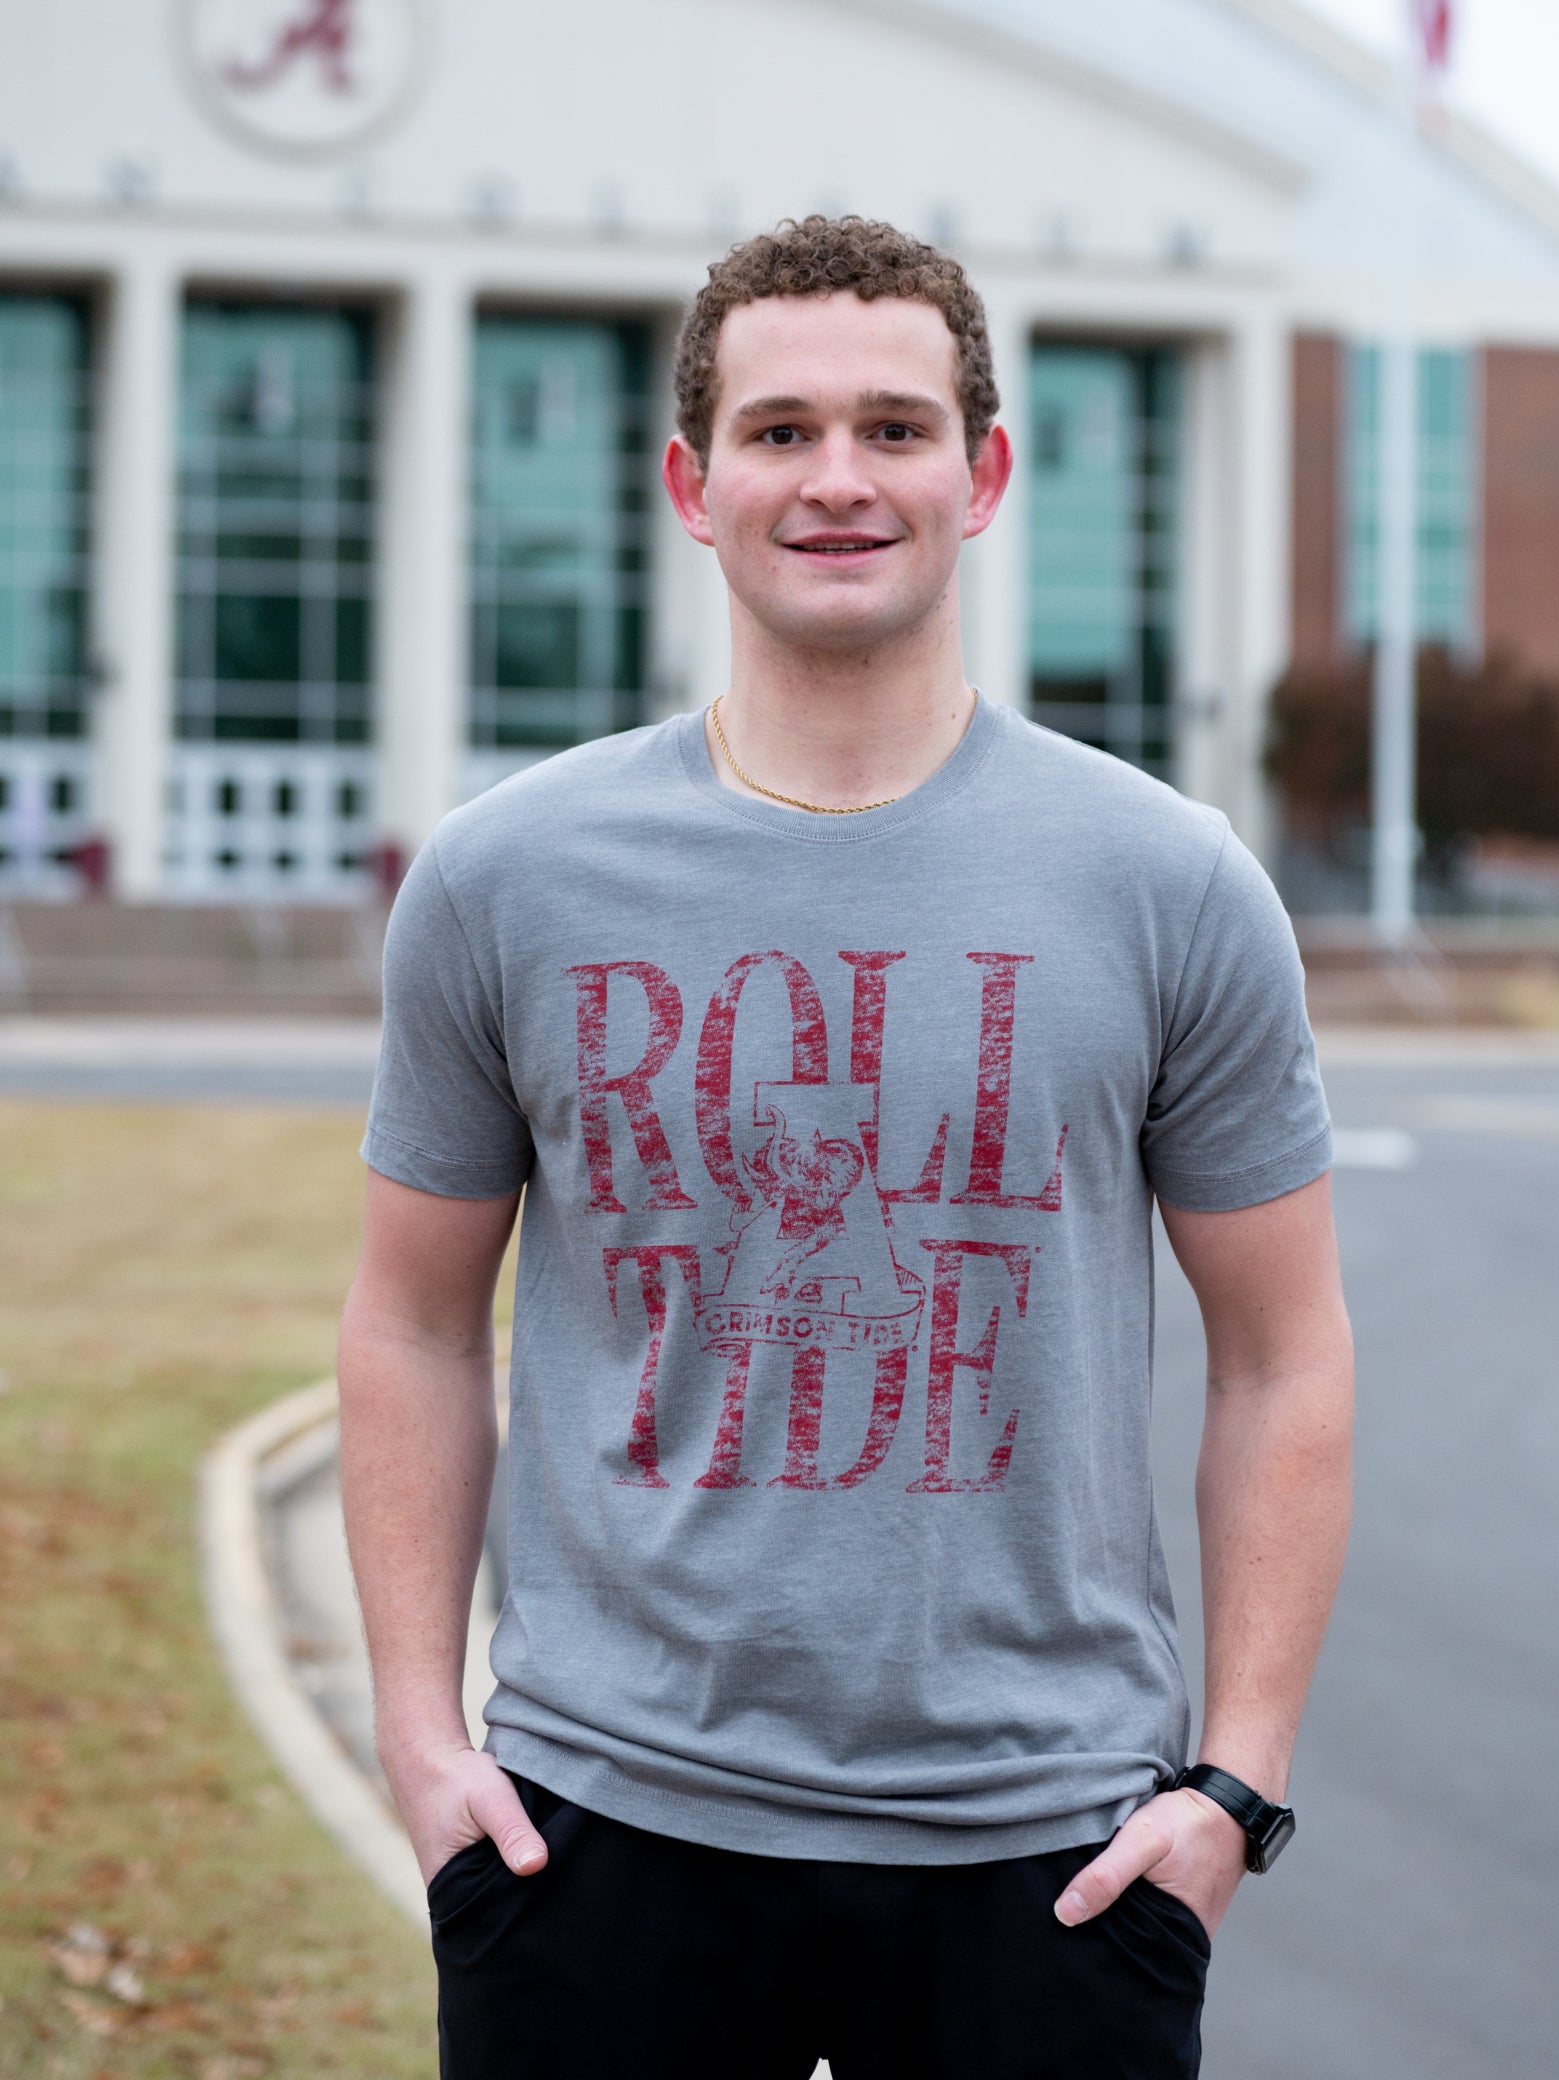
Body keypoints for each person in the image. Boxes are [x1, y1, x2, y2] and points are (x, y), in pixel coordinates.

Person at [338, 215, 1354, 2080]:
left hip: (1048, 1855)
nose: (837, 480)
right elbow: (409, 1323)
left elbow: (1285, 1359)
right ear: (690, 481)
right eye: (781, 429)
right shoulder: (509, 877)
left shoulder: (1167, 882)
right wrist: (422, 1740)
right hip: (596, 1835)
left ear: (980, 476)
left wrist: (1237, 1786)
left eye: (894, 429)